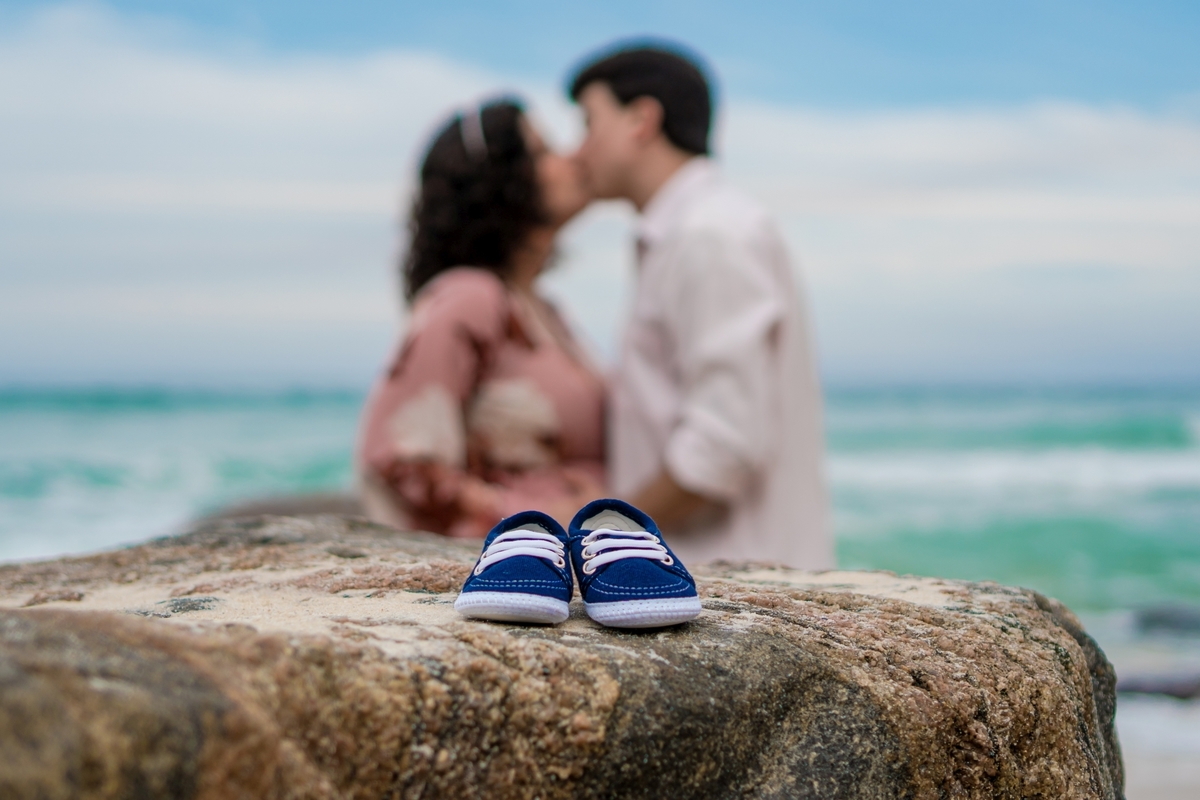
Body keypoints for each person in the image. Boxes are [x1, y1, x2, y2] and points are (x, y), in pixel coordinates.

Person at [567, 44, 834, 569]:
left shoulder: (708, 234)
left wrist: (594, 535)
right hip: (722, 581)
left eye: (589, 122)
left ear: (641, 120)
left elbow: (721, 448)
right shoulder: (695, 230)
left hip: (731, 584)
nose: (579, 149)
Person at [356, 99, 606, 538]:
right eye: (544, 153)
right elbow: (396, 461)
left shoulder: (542, 310)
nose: (571, 159)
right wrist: (541, 518)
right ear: (501, 183)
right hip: (510, 578)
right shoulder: (470, 297)